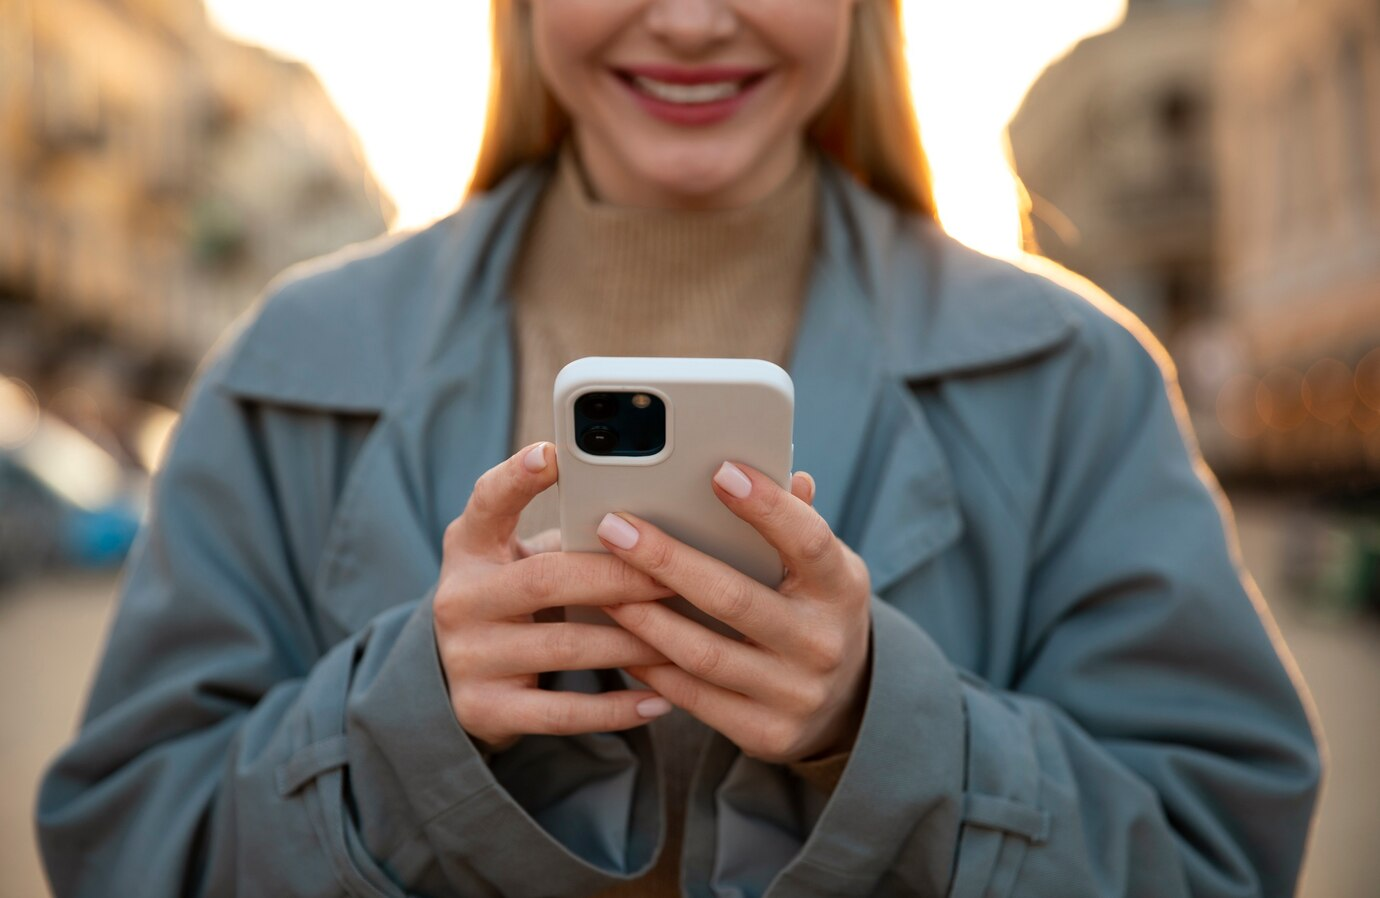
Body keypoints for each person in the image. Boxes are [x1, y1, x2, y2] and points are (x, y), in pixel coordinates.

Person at [36, 1, 1321, 896]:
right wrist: (407, 718)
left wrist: (885, 726)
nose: (695, 19)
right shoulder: (289, 364)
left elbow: (1219, 855)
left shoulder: (1072, 374)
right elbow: (124, 848)